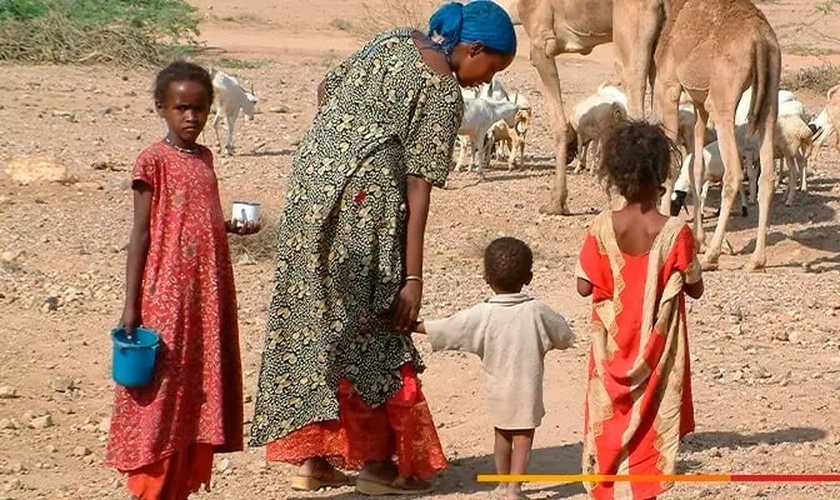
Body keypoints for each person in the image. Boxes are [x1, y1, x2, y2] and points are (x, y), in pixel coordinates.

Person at [247, 0, 518, 496]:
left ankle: (311, 460)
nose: (483, 81)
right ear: (474, 48)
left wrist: (344, 140)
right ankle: (377, 463)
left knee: (316, 316)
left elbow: (326, 87)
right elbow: (419, 187)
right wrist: (411, 278)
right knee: (375, 323)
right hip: (364, 206)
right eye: (490, 68)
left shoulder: (391, 42)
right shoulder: (442, 91)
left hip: (311, 187)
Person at [105, 60, 261, 500]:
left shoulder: (206, 158)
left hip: (206, 294)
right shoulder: (152, 160)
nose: (191, 117)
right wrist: (131, 304)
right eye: (181, 109)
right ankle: (152, 486)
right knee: (162, 388)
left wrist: (228, 227)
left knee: (196, 383)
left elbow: (194, 217)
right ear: (161, 109)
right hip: (165, 292)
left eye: (200, 109)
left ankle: (180, 486)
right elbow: (142, 234)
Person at [575, 120, 704, 500]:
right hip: (655, 352)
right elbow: (694, 287)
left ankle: (607, 489)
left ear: (612, 174)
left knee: (608, 419)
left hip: (610, 352)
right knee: (649, 424)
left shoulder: (601, 227)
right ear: (662, 174)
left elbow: (584, 286)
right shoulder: (675, 231)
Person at [412, 237, 575, 500]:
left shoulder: (482, 314)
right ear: (529, 277)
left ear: (485, 277)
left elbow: (449, 328)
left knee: (502, 433)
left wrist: (412, 325)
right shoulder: (537, 312)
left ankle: (501, 484)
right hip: (527, 390)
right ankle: (515, 489)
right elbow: (564, 335)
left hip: (497, 390)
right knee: (523, 436)